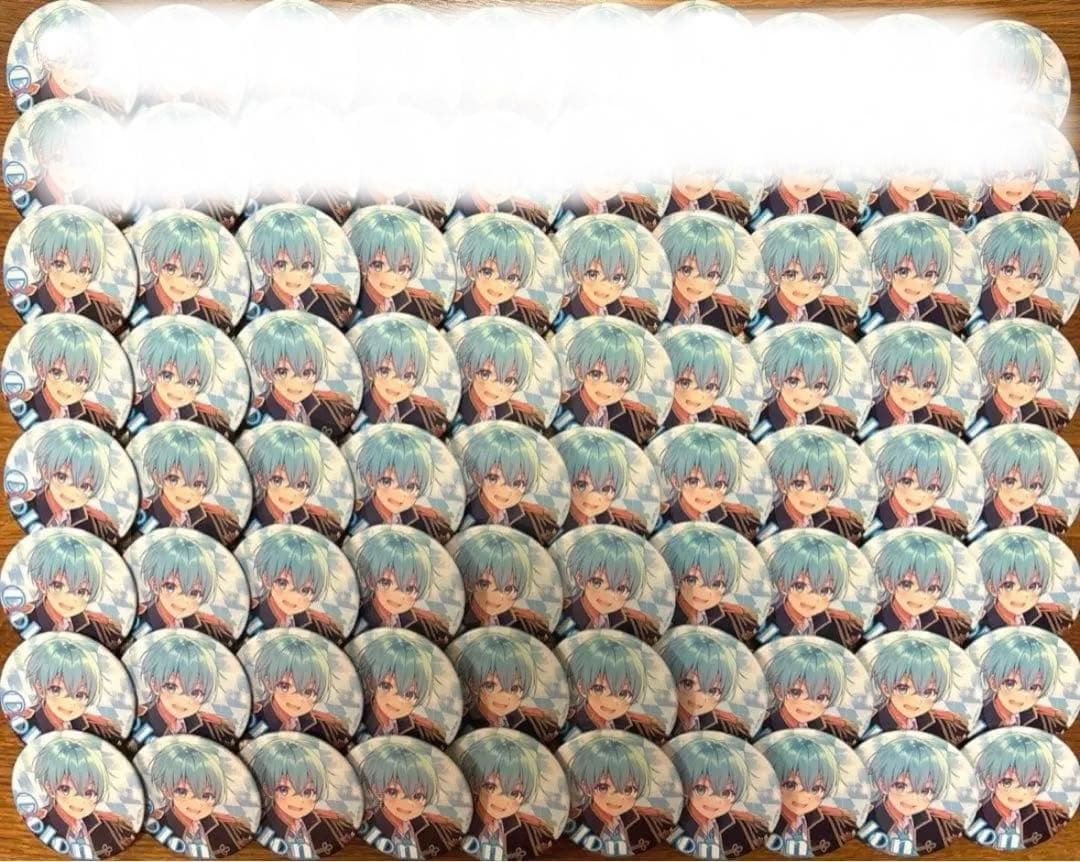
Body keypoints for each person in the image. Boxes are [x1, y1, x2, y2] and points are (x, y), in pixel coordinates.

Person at [247, 313, 357, 439]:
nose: (297, 382)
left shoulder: (328, 405)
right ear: (267, 372)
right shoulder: (257, 414)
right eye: (282, 372)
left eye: (307, 372)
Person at [247, 735, 355, 859]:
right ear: (268, 789)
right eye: (284, 789)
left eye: (308, 792)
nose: (299, 800)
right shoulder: (260, 827)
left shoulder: (330, 824)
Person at [27, 736, 136, 859]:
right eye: (65, 789)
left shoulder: (109, 824)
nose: (79, 800)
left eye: (89, 793)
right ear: (50, 788)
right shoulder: (40, 824)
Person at [566, 734, 676, 856]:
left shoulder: (648, 821)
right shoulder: (575, 825)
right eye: (603, 787)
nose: (618, 797)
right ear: (586, 787)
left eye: (628, 789)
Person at [146, 740, 253, 858]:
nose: (196, 803)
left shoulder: (231, 828)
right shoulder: (155, 825)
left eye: (206, 795)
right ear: (167, 791)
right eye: (182, 792)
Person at [457, 732, 556, 859]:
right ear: (475, 784)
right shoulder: (460, 827)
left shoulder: (528, 831)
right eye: (491, 787)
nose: (503, 800)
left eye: (514, 793)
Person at [7, 634, 122, 743]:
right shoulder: (25, 725)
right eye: (56, 689)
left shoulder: (96, 727)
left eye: (80, 695)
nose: (68, 702)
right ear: (40, 689)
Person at [668, 735, 769, 858]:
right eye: (701, 789)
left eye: (726, 793)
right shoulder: (674, 830)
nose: (716, 800)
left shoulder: (743, 826)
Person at [20, 206, 121, 330]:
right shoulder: (27, 303)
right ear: (44, 263)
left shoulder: (95, 304)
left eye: (83, 270)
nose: (72, 278)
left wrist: (108, 301)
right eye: (60, 264)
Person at [862, 736, 965, 857]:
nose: (913, 798)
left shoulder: (941, 824)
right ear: (883, 785)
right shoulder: (866, 822)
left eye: (925, 791)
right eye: (900, 786)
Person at [140, 423, 240, 546]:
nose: (186, 492)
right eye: (174, 479)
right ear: (157, 477)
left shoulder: (217, 519)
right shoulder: (143, 515)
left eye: (197, 484)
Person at [249, 208, 351, 328]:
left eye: (305, 265)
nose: (296, 276)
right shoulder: (256, 308)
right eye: (282, 265)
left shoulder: (329, 299)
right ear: (266, 266)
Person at [561, 319, 658, 445]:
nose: (608, 387)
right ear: (580, 372)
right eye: (596, 374)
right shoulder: (562, 408)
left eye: (620, 380)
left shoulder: (631, 415)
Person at [865, 214, 969, 332]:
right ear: (887, 272)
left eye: (929, 274)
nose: (917, 283)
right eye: (904, 272)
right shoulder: (873, 314)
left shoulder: (934, 307)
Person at [248, 632, 351, 749]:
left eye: (308, 692)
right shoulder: (252, 719)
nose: (297, 699)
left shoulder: (327, 727)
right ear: (269, 684)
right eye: (285, 687)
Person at [350, 426, 453, 543]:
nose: (399, 494)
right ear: (370, 479)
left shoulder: (425, 519)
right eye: (387, 481)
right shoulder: (355, 517)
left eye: (410, 486)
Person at [359, 743, 464, 858]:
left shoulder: (438, 829)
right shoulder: (366, 829)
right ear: (377, 791)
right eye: (393, 792)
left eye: (417, 796)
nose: (407, 803)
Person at [968, 731, 1068, 851]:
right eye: (1007, 782)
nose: (1020, 793)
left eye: (1032, 784)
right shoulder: (974, 821)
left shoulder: (1046, 817)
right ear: (990, 782)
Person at [759, 733, 855, 858]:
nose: (804, 796)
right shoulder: (762, 824)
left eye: (816, 788)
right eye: (790, 785)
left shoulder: (828, 823)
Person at [460, 423, 558, 545]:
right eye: (493, 478)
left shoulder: (533, 517)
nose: (506, 490)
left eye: (517, 483)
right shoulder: (467, 520)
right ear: (477, 476)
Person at [20, 529, 120, 647]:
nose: (71, 598)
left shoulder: (96, 625)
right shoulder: (25, 621)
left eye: (82, 591)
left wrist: (108, 623)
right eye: (58, 585)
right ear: (42, 584)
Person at [657, 425, 760, 540]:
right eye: (693, 481)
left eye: (718, 484)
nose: (707, 492)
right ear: (676, 481)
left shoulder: (735, 518)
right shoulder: (663, 522)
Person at [19, 422, 117, 542]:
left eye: (84, 486)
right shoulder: (24, 509)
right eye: (62, 477)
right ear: (46, 472)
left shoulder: (95, 522)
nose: (72, 491)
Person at [756, 218, 857, 334]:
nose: (805, 285)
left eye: (816, 277)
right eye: (791, 274)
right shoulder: (761, 317)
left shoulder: (835, 312)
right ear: (774, 275)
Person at [352, 527, 451, 645]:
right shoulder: (360, 619)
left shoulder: (417, 620)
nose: (398, 595)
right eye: (386, 582)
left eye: (409, 588)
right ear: (370, 580)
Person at [456, 630, 559, 742]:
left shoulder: (523, 718)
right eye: (490, 686)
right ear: (473, 684)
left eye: (514, 688)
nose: (505, 696)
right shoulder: (467, 728)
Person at [12, 315, 113, 429]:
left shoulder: (91, 413)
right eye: (57, 373)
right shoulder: (24, 409)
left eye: (79, 380)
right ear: (41, 369)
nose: (68, 386)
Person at [868, 531, 969, 643]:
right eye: (907, 584)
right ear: (890, 584)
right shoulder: (874, 624)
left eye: (932, 588)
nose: (920, 596)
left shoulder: (948, 624)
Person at [557, 528, 657, 642]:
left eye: (621, 588)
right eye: (597, 582)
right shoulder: (563, 613)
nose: (609, 595)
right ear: (580, 579)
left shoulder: (633, 622)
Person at [760, 431, 862, 542]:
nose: (813, 496)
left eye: (824, 488)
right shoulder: (769, 527)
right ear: (782, 483)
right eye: (799, 484)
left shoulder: (839, 522)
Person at [133, 319, 231, 434]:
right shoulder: (133, 410)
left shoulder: (208, 417)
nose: (179, 389)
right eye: (167, 376)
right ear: (150, 373)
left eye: (191, 382)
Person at [349, 207, 444, 325]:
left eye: (403, 268)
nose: (391, 277)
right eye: (378, 265)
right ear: (362, 264)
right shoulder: (352, 302)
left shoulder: (421, 304)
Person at [136, 212, 232, 329]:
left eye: (194, 276)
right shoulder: (138, 305)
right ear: (155, 266)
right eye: (171, 269)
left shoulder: (209, 312)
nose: (183, 283)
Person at [663, 524, 758, 642]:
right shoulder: (667, 619)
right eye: (691, 580)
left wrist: (744, 612)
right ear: (676, 577)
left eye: (716, 584)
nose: (705, 591)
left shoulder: (722, 615)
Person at [564, 635, 666, 744]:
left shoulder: (634, 723)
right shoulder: (574, 727)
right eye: (599, 689)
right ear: (582, 687)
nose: (612, 701)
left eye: (623, 693)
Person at [453, 216, 549, 332]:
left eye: (512, 277)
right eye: (487, 272)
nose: (499, 285)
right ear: (470, 269)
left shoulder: (526, 312)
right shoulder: (455, 311)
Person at [356, 315, 447, 436]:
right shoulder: (357, 409)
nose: (397, 384)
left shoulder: (425, 412)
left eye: (408, 375)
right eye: (385, 371)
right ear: (368, 369)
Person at [866, 636, 968, 744]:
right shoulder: (873, 728)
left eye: (928, 692)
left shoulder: (943, 722)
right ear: (886, 688)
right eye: (903, 688)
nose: (917, 700)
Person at [137, 631, 233, 745]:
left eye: (195, 692)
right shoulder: (139, 724)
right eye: (171, 687)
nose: (183, 699)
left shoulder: (210, 726)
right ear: (155, 685)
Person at [561, 217, 657, 330]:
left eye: (617, 277)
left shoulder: (626, 310)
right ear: (577, 273)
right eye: (593, 274)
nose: (606, 285)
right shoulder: (565, 318)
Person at [757, 326, 855, 437]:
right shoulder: (762, 421)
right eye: (793, 381)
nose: (805, 393)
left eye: (818, 386)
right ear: (776, 381)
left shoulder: (832, 419)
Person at [136, 532, 234, 642]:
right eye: (171, 587)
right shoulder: (139, 622)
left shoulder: (208, 626)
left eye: (194, 592)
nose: (183, 599)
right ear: (154, 584)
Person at [247, 528, 342, 642]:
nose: (294, 597)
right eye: (282, 583)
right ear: (267, 579)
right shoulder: (249, 614)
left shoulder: (321, 625)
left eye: (305, 590)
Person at [246, 425, 341, 538]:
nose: (290, 493)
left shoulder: (314, 518)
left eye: (301, 485)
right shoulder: (252, 520)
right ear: (261, 478)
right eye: (277, 480)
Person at [866, 326, 964, 435]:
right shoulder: (869, 421)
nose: (915, 392)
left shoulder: (941, 419)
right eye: (902, 380)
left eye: (927, 385)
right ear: (885, 379)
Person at [658, 214, 749, 333]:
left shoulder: (723, 310)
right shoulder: (659, 308)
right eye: (687, 270)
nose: (699, 282)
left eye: (711, 274)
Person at [455, 528, 550, 639]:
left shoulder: (524, 622)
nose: (498, 597)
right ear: (468, 582)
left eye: (508, 589)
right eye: (484, 584)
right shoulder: (458, 619)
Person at [973, 321, 1067, 431]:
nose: (1021, 388)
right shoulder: (979, 420)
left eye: (1032, 379)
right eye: (1008, 377)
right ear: (992, 377)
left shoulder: (1040, 412)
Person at [872, 429, 966, 538]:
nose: (919, 494)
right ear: (889, 479)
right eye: (907, 482)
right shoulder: (874, 520)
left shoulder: (943, 522)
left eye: (931, 487)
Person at [455, 318, 545, 430]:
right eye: (485, 374)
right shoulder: (457, 408)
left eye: (509, 380)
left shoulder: (517, 413)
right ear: (469, 369)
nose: (497, 386)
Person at [356, 632, 445, 746]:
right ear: (370, 682)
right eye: (386, 686)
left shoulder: (416, 727)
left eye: (409, 694)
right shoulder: (361, 720)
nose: (398, 700)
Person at [974, 426, 1066, 536]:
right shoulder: (978, 519)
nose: (1022, 494)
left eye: (1033, 486)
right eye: (1010, 481)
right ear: (993, 481)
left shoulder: (1044, 519)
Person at [761, 640, 858, 745]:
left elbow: (853, 737)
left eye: (821, 697)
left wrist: (843, 724)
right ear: (779, 691)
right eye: (796, 692)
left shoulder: (821, 724)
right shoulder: (766, 732)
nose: (809, 703)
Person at [657, 629, 748, 738]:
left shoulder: (723, 725)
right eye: (688, 684)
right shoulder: (658, 718)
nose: (699, 699)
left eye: (712, 690)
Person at [975, 215, 1062, 327]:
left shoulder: (1037, 310)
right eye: (1009, 270)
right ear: (992, 267)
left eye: (1032, 276)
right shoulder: (976, 304)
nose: (1020, 284)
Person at [979, 531, 1071, 633]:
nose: (1022, 595)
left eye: (1033, 586)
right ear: (992, 588)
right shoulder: (982, 627)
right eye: (1009, 585)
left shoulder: (1047, 618)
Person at [557, 430, 645, 534]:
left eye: (606, 488)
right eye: (582, 485)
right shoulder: (558, 522)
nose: (594, 496)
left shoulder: (612, 518)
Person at [978, 630, 1066, 734]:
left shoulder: (1044, 720)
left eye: (1034, 687)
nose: (1022, 695)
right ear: (993, 682)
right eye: (1010, 683)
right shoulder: (978, 720)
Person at [662, 328, 746, 432]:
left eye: (710, 387)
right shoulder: (663, 418)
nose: (699, 394)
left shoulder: (709, 412)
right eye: (685, 383)